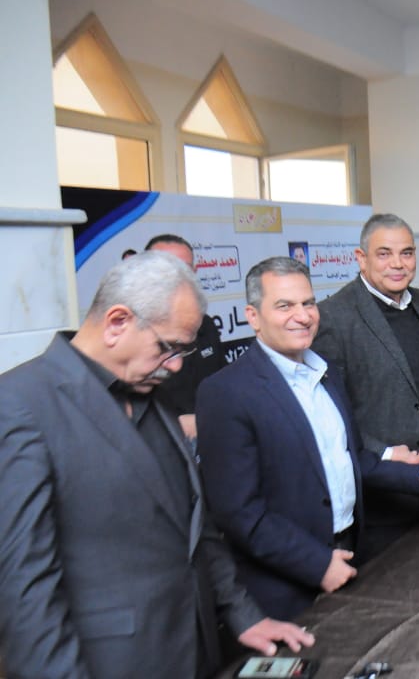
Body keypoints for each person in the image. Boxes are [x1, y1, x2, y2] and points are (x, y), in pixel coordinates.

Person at [0, 252, 312, 678]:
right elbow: (25, 591)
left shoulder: (152, 394)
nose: (178, 366)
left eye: (184, 350)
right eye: (169, 348)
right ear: (117, 322)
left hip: (197, 650)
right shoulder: (19, 406)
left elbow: (196, 528)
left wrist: (243, 615)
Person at [196, 257, 419, 620]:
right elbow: (238, 513)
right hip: (286, 584)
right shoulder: (226, 392)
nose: (302, 316)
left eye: (308, 303)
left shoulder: (327, 373)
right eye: (285, 306)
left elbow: (352, 460)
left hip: (354, 555)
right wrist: (316, 563)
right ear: (253, 317)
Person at [313, 214, 419, 558]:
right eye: (384, 254)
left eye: (406, 253)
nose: (398, 264)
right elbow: (330, 412)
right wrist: (382, 452)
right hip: (389, 498)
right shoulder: (333, 317)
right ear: (361, 258)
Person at [146, 233, 226, 440]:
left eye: (185, 269)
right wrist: (176, 426)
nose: (178, 277)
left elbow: (223, 384)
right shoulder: (131, 332)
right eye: (167, 269)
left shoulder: (206, 325)